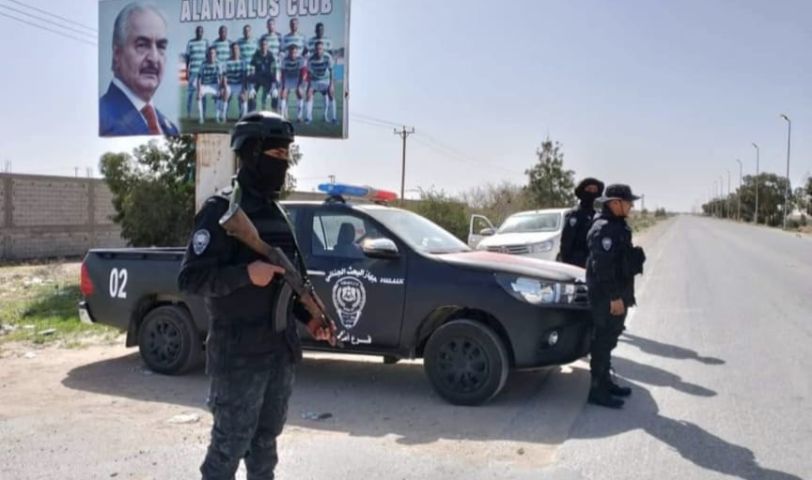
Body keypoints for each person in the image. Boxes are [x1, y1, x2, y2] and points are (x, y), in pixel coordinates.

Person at [178, 111, 336, 479]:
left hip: (277, 351)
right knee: (228, 447)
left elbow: (287, 284)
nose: (282, 164)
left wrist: (309, 318)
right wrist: (246, 274)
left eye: (286, 157)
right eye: (276, 156)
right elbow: (191, 278)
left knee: (265, 445)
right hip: (238, 355)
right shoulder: (222, 212)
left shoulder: (277, 216)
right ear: (251, 154)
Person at [586, 184, 646, 409]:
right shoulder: (604, 229)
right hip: (606, 296)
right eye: (628, 201)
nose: (631, 205)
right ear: (614, 203)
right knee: (602, 340)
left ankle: (606, 381)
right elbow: (602, 268)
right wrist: (614, 297)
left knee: (610, 339)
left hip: (618, 293)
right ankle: (596, 390)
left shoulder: (617, 226)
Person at [99, 2, 178, 136]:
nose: (154, 58)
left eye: (161, 46)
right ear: (117, 54)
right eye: (142, 45)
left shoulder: (169, 128)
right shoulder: (100, 119)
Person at [559, 178, 605, 267]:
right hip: (578, 264)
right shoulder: (575, 215)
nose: (592, 193)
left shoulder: (601, 215)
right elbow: (566, 244)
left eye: (594, 190)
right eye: (589, 190)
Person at [305, 41, 336, 124]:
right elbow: (309, 73)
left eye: (320, 49)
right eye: (317, 49)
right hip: (315, 80)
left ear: (323, 49)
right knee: (308, 93)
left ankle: (333, 118)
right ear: (315, 50)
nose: (319, 51)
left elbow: (331, 71)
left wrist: (331, 84)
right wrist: (309, 85)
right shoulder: (310, 59)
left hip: (325, 80)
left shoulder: (328, 57)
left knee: (331, 93)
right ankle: (308, 118)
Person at [197, 47, 226, 124]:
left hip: (214, 85)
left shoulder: (218, 64)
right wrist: (199, 90)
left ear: (215, 55)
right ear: (207, 55)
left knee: (220, 95)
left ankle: (217, 117)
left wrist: (220, 90)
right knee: (199, 96)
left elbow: (220, 78)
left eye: (213, 53)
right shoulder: (203, 64)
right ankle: (201, 118)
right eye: (210, 53)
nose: (211, 55)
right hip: (205, 84)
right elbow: (199, 78)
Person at [185, 26, 209, 117]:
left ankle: (204, 114)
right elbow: (187, 58)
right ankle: (188, 114)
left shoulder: (206, 42)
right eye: (198, 31)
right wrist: (187, 70)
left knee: (203, 94)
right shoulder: (190, 43)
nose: (200, 33)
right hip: (193, 72)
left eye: (201, 31)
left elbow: (208, 57)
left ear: (203, 33)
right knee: (190, 94)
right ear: (195, 32)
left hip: (203, 73)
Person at [279, 44, 306, 122]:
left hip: (297, 78)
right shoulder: (284, 60)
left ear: (297, 52)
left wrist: (300, 85)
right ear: (289, 52)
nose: (293, 54)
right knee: (283, 94)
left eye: (294, 52)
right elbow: (283, 73)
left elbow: (303, 72)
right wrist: (283, 85)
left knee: (299, 93)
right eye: (291, 52)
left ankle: (299, 116)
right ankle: (283, 115)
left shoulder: (301, 59)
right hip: (288, 79)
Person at [251, 38, 279, 112]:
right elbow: (252, 70)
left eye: (265, 44)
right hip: (258, 78)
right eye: (262, 44)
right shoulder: (255, 55)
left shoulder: (271, 56)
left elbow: (274, 71)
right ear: (260, 46)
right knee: (251, 93)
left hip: (268, 79)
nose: (264, 46)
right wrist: (252, 86)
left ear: (267, 46)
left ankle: (274, 112)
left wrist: (274, 85)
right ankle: (252, 112)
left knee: (275, 94)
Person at [224, 43, 250, 120]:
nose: (235, 51)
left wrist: (244, 89)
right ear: (231, 51)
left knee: (244, 97)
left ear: (239, 50)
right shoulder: (227, 62)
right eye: (233, 49)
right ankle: (223, 116)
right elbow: (224, 76)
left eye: (236, 49)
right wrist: (225, 88)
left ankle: (244, 116)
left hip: (239, 84)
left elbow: (245, 77)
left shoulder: (243, 62)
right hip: (230, 84)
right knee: (225, 95)